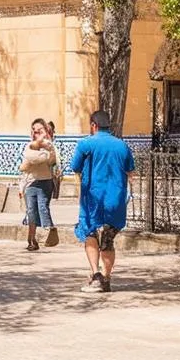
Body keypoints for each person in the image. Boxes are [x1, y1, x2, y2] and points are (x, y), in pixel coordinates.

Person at [71, 109, 135, 293]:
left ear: (93, 125)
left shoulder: (86, 144)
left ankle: (95, 274)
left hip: (93, 199)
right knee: (107, 239)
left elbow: (75, 167)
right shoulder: (122, 146)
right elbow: (131, 171)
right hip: (115, 199)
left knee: (90, 234)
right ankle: (106, 278)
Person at [19, 118, 59, 251]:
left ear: (46, 132)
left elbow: (44, 158)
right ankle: (32, 239)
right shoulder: (29, 146)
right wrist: (21, 186)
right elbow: (25, 165)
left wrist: (36, 151)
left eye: (39, 131)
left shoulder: (49, 146)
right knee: (31, 211)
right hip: (30, 183)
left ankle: (51, 231)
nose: (36, 134)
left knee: (42, 207)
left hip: (44, 182)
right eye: (34, 131)